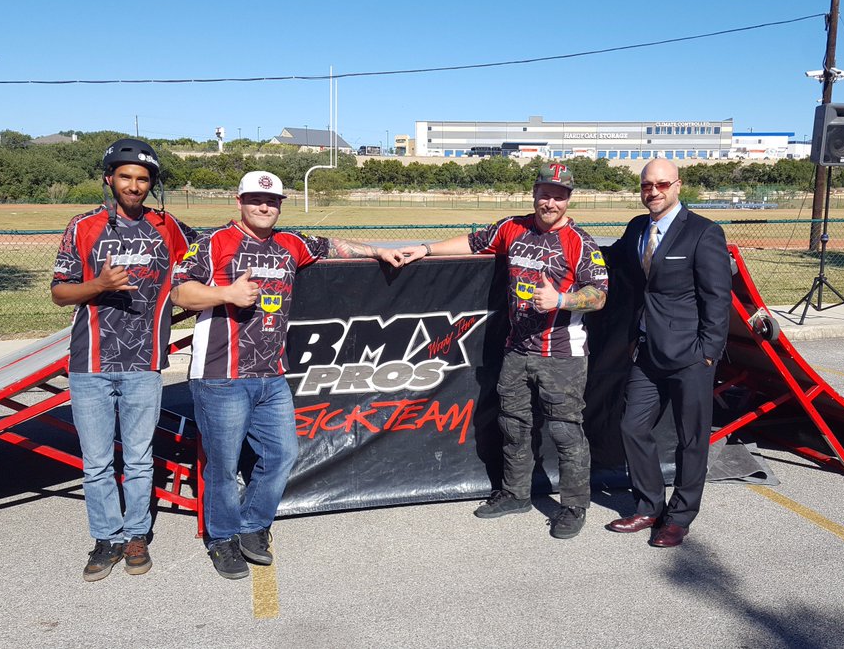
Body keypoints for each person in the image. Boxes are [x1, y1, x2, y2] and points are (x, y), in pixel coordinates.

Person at [171, 170, 404, 580]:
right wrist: (226, 294)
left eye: (273, 201)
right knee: (223, 465)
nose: (264, 207)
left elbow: (333, 245)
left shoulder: (289, 244)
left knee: (282, 455)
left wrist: (378, 252)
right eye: (256, 199)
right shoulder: (212, 243)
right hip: (219, 375)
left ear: (280, 205)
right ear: (239, 200)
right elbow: (179, 291)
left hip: (272, 374)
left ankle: (253, 526)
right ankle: (222, 538)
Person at [400, 162, 608, 539]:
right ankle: (516, 494)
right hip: (516, 349)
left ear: (568, 199)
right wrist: (425, 249)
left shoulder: (581, 241)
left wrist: (561, 299)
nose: (550, 202)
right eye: (545, 193)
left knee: (565, 432)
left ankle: (574, 506)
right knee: (513, 426)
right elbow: (474, 242)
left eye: (559, 195)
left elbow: (599, 296)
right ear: (534, 192)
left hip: (562, 354)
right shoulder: (512, 227)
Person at [51, 138, 191, 581]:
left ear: (152, 184)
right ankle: (105, 538)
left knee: (138, 458)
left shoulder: (167, 227)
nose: (134, 186)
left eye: (143, 178)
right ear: (109, 179)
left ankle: (135, 534)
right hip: (90, 363)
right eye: (125, 176)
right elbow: (59, 292)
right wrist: (99, 284)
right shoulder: (83, 226)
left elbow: (217, 249)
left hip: (143, 362)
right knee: (96, 461)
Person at [604, 158, 731, 548]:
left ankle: (679, 516)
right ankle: (649, 506)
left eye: (661, 184)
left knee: (690, 439)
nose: (653, 191)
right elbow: (616, 266)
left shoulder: (704, 232)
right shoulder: (637, 227)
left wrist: (708, 352)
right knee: (632, 426)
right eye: (646, 185)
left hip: (690, 356)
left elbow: (717, 298)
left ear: (678, 186)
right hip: (646, 352)